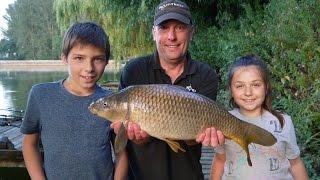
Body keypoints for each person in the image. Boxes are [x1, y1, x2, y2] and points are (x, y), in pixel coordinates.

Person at [111, 0, 225, 179]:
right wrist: (140, 139)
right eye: (164, 28)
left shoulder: (205, 75)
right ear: (153, 33)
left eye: (179, 28)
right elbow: (124, 134)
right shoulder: (134, 71)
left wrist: (205, 134)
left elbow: (194, 137)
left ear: (191, 32)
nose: (171, 36)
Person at [20, 22, 127, 180]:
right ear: (64, 58)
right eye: (79, 58)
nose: (89, 67)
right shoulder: (40, 95)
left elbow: (121, 153)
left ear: (106, 61)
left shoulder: (113, 102)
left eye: (97, 59)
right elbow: (29, 144)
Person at [210, 54, 308, 180]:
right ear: (231, 90)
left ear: (266, 87)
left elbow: (296, 163)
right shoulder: (222, 119)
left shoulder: (283, 122)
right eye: (240, 86)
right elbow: (219, 160)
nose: (248, 92)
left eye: (255, 85)